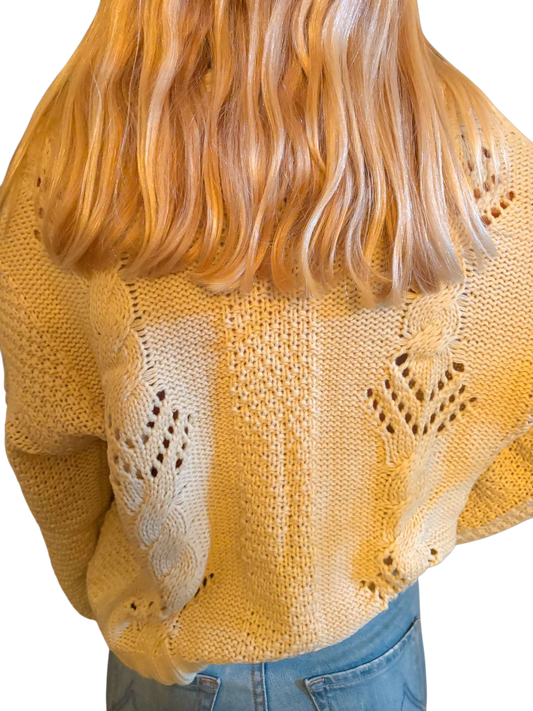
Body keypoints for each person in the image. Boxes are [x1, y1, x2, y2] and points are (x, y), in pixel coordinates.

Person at [0, 1, 531, 709]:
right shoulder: (481, 160)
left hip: (163, 650)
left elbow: (49, 451)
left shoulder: (69, 166)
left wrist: (118, 592)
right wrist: (414, 532)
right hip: (367, 642)